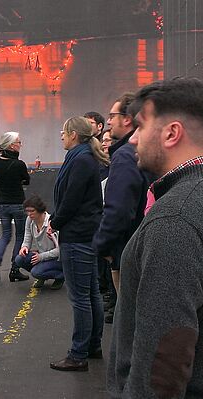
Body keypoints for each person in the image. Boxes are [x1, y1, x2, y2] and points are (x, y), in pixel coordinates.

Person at [108, 78, 203, 398]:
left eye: (140, 127)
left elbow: (164, 360)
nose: (132, 139)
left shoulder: (173, 221)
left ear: (171, 133)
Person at [48, 116, 108, 372]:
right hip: (84, 234)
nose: (61, 135)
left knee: (81, 298)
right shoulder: (84, 156)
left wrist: (56, 221)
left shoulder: (81, 159)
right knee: (91, 293)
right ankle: (92, 345)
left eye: (63, 131)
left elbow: (71, 200)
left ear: (73, 134)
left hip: (77, 236)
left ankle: (78, 353)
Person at [93, 93, 153, 325]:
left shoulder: (125, 156)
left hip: (127, 249)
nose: (108, 122)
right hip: (139, 245)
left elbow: (118, 210)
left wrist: (103, 245)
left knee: (129, 321)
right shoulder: (138, 152)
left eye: (112, 116)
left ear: (127, 119)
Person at [0, 131, 30, 283]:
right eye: (19, 142)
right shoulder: (19, 164)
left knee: (5, 236)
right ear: (12, 145)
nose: (20, 145)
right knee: (20, 236)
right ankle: (14, 269)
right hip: (18, 204)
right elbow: (26, 180)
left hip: (2, 204)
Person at [14, 195, 63, 290]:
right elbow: (27, 238)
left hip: (57, 259)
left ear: (40, 210)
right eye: (27, 211)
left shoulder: (51, 223)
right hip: (42, 255)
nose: (29, 214)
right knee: (19, 259)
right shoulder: (30, 220)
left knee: (36, 272)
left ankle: (61, 276)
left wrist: (41, 257)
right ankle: (42, 275)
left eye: (32, 211)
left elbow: (59, 251)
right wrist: (24, 247)